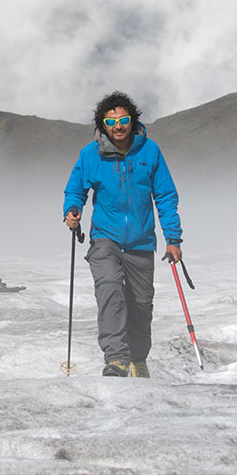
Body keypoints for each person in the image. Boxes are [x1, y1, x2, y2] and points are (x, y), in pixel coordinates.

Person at [63, 91, 183, 378]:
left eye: (124, 120)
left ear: (133, 122)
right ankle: (116, 359)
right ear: (102, 124)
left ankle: (138, 359)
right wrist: (72, 209)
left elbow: (165, 196)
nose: (118, 126)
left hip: (141, 242)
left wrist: (174, 239)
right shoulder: (90, 154)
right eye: (111, 121)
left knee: (141, 307)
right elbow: (75, 187)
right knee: (110, 291)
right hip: (106, 238)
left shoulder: (149, 151)